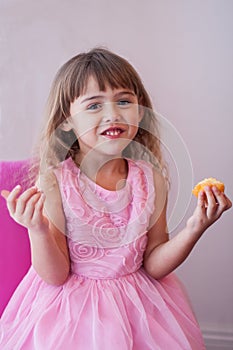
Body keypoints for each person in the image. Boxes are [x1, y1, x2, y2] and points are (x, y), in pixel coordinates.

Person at [0, 47, 231, 350]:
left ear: (140, 111)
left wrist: (195, 227)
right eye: (94, 105)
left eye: (124, 101)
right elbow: (55, 275)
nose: (113, 114)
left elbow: (154, 264)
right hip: (70, 313)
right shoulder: (56, 181)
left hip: (140, 308)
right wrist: (38, 230)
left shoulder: (152, 179)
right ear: (67, 120)